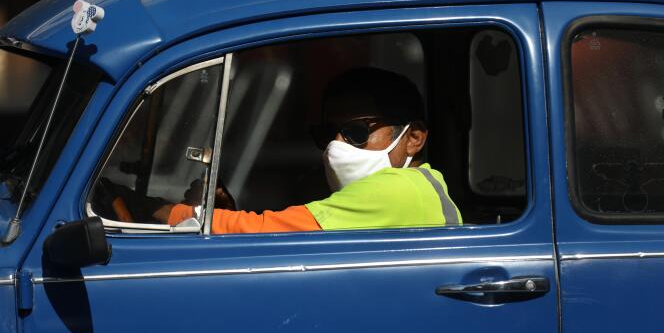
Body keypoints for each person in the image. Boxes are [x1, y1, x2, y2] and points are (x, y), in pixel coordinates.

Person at [154, 67, 462, 233]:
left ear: (414, 138)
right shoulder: (420, 186)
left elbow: (266, 231)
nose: (336, 146)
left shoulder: (397, 190)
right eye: (327, 133)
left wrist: (156, 212)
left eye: (357, 132)